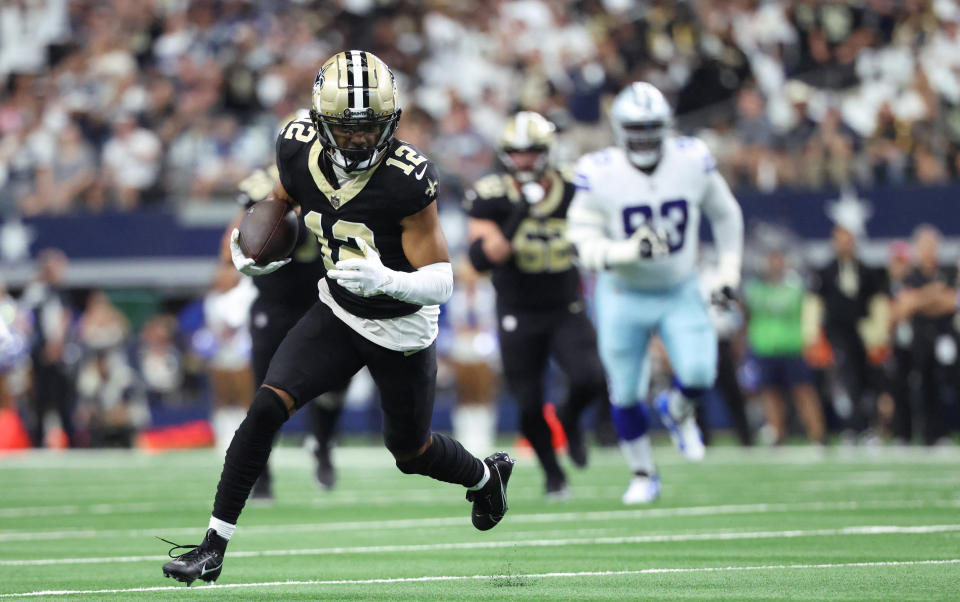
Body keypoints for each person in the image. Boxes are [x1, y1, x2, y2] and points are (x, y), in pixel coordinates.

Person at [162, 51, 514, 586]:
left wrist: (388, 281)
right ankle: (212, 547)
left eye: (370, 128)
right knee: (264, 408)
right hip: (339, 310)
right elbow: (279, 203)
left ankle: (486, 476)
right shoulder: (295, 148)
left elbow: (443, 278)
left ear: (391, 123)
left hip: (401, 326)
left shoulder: (406, 180)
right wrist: (250, 244)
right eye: (346, 129)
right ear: (320, 123)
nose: (358, 141)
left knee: (411, 451)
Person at [566, 82, 743, 504]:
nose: (644, 136)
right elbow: (580, 243)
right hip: (622, 291)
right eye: (636, 127)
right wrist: (631, 249)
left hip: (679, 287)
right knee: (625, 390)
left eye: (651, 127)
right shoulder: (600, 171)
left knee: (700, 374)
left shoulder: (691, 160)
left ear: (666, 126)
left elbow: (726, 214)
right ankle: (644, 472)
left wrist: (728, 270)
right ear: (619, 128)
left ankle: (678, 409)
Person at [464, 111, 608, 500]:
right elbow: (480, 259)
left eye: (531, 152)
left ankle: (569, 418)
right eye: (517, 152)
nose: (524, 160)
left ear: (546, 152)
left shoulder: (576, 187)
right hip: (517, 310)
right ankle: (552, 474)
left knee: (590, 379)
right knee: (527, 402)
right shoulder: (492, 194)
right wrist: (520, 213)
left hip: (565, 304)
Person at [223, 164, 350, 498]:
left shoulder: (341, 180)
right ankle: (261, 475)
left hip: (324, 299)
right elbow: (229, 248)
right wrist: (256, 238)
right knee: (265, 396)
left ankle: (322, 445)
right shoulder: (261, 185)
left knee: (336, 383)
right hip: (274, 303)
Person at [743, 247, 825, 445]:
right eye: (771, 259)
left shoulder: (796, 287)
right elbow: (746, 315)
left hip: (793, 347)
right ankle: (778, 437)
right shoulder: (754, 289)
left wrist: (811, 339)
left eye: (778, 258)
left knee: (804, 392)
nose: (775, 263)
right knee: (770, 394)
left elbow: (811, 311)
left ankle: (818, 437)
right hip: (765, 347)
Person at [891, 225, 958, 444]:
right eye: (924, 246)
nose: (929, 250)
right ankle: (927, 434)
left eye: (932, 245)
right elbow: (904, 306)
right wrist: (931, 294)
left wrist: (920, 301)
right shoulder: (911, 275)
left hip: (946, 335)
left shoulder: (948, 272)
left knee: (949, 383)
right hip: (919, 338)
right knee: (922, 383)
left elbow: (951, 302)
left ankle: (944, 432)